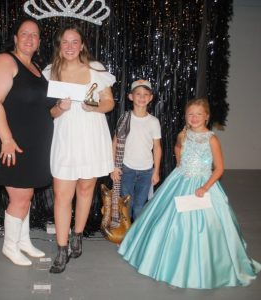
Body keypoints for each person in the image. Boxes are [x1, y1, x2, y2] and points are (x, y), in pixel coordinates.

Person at [118, 98, 261, 289]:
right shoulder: (183, 135)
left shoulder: (212, 139)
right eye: (190, 114)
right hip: (180, 179)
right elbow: (178, 147)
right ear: (186, 116)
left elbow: (219, 169)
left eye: (199, 114)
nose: (194, 118)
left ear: (207, 117)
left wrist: (205, 187)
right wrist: (180, 162)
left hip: (203, 184)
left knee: (204, 225)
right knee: (168, 219)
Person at [43, 24, 116, 273]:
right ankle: (62, 248)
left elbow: (109, 102)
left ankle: (78, 234)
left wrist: (93, 108)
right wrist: (60, 108)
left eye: (75, 42)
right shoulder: (50, 72)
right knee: (63, 195)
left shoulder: (96, 70)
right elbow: (49, 112)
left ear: (82, 45)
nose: (70, 46)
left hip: (92, 134)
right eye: (66, 42)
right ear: (59, 45)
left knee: (86, 189)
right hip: (65, 136)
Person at [0, 17, 56, 266]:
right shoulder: (6, 61)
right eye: (24, 34)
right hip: (13, 143)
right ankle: (10, 246)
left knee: (26, 196)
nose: (29, 38)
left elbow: (42, 106)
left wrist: (62, 106)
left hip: (34, 145)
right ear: (15, 38)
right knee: (20, 198)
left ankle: (23, 241)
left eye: (34, 35)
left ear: (39, 41)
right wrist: (6, 139)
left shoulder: (36, 67)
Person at [110, 79, 162, 222]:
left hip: (146, 171)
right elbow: (114, 143)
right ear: (131, 97)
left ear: (151, 98)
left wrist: (156, 171)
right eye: (138, 94)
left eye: (146, 94)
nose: (142, 97)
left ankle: (136, 237)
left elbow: (157, 147)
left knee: (139, 206)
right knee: (127, 204)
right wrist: (113, 167)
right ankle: (125, 236)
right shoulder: (124, 118)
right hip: (126, 169)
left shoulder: (154, 122)